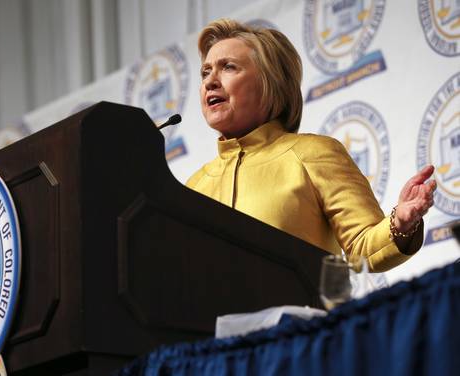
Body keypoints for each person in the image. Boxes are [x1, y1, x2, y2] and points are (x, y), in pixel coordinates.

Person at [186, 19, 436, 272]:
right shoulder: (192, 188)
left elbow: (362, 248)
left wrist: (401, 223)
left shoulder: (312, 154)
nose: (210, 82)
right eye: (205, 72)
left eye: (228, 67)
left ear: (270, 82)